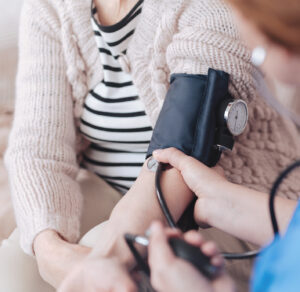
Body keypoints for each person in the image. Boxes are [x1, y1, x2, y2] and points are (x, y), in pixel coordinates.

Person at [2, 0, 300, 292]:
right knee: (16, 264)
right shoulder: (49, 7)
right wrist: (52, 254)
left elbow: (179, 154)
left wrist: (103, 260)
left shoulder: (214, 9)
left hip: (217, 202)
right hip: (108, 187)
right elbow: (36, 148)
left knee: (108, 254)